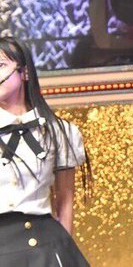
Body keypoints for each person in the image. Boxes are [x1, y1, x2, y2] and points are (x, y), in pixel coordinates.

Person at [0, 37, 89, 266]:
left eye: (1, 65)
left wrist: (64, 251)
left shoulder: (59, 131)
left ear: (24, 72)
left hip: (45, 247)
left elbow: (65, 201)